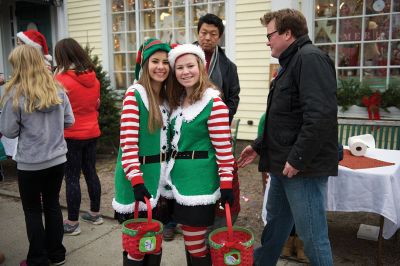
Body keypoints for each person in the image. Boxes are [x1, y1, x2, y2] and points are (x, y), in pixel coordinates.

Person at [238, 9, 338, 266]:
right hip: (283, 164)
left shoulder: (310, 59)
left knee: (312, 236)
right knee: (276, 223)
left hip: (301, 168)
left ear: (287, 33)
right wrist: (258, 146)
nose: (267, 40)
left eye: (270, 34)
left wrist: (298, 158)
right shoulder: (290, 62)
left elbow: (320, 116)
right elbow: (283, 118)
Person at [0, 45, 74, 266]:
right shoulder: (57, 89)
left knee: (32, 210)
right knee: (52, 205)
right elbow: (69, 121)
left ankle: (38, 259)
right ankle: (56, 254)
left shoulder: (14, 94)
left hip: (31, 163)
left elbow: (9, 130)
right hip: (57, 159)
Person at [165, 43, 235, 266]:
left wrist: (226, 185)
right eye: (179, 67)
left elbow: (224, 150)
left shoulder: (213, 103)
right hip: (179, 181)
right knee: (191, 241)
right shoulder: (178, 101)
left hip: (200, 184)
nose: (185, 72)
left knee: (196, 245)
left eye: (190, 66)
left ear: (201, 67)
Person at [112, 38, 171, 266]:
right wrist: (137, 181)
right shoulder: (134, 95)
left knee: (153, 243)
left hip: (158, 180)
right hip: (136, 179)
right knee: (136, 247)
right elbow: (128, 144)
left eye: (165, 62)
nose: (161, 66)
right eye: (155, 61)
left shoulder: (166, 99)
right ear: (145, 65)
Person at [54, 38, 103, 236]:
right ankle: (95, 213)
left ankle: (72, 222)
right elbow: (96, 104)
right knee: (91, 171)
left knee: (72, 177)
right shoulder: (94, 78)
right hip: (92, 132)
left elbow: (55, 109)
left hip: (71, 134)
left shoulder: (61, 80)